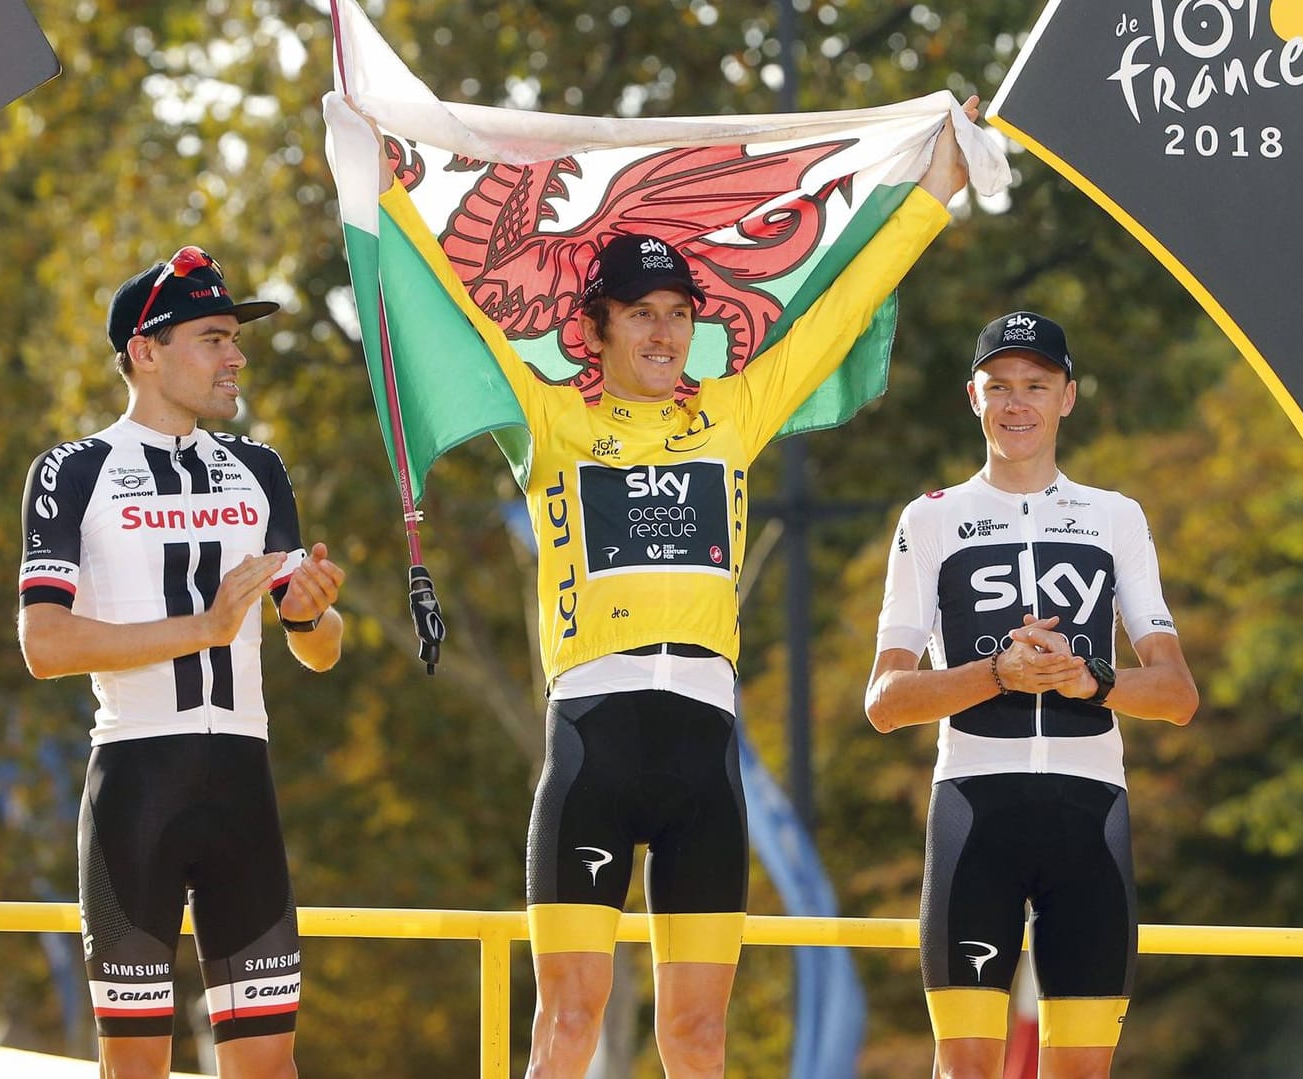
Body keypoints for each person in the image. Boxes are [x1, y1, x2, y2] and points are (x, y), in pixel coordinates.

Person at [347, 94, 979, 1077]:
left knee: (696, 1035)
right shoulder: (547, 418)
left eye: (679, 313)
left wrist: (936, 185)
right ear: (594, 326)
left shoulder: (732, 410)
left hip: (701, 754)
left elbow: (847, 301)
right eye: (640, 313)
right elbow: (459, 315)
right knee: (567, 1019)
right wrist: (381, 181)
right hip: (592, 743)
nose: (663, 331)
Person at [17, 246, 346, 1079]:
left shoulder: (260, 467)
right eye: (213, 337)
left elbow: (319, 650)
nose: (235, 355)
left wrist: (310, 614)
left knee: (270, 1065)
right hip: (136, 789)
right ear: (145, 350)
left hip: (243, 783)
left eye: (235, 337)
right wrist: (203, 628)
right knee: (135, 1068)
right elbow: (44, 643)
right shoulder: (73, 470)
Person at [865, 311, 1199, 1079]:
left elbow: (1178, 694)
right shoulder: (931, 518)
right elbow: (884, 701)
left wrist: (1093, 679)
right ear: (972, 397)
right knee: (969, 1069)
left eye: (1036, 386)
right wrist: (995, 676)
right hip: (974, 813)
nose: (1018, 403)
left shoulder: (1117, 517)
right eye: (1001, 386)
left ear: (1068, 397)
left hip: (1090, 814)